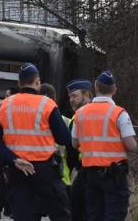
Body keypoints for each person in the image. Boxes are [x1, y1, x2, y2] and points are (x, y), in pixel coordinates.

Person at [0, 63, 72, 221]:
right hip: (45, 169)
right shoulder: (47, 104)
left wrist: (13, 159)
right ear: (38, 82)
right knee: (62, 214)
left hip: (17, 169)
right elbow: (64, 138)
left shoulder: (5, 105)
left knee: (23, 215)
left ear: (19, 82)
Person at [72, 71, 137, 221]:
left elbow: (75, 143)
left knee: (94, 215)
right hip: (114, 176)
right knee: (114, 215)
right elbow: (131, 145)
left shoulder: (80, 113)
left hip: (90, 176)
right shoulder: (119, 113)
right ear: (114, 90)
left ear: (95, 87)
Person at [66, 79, 92, 221]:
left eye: (75, 96)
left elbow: (73, 150)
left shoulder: (81, 117)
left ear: (87, 95)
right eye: (70, 97)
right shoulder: (79, 116)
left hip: (83, 170)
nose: (71, 100)